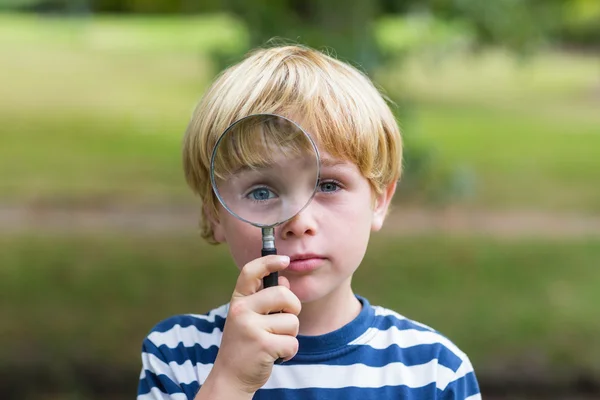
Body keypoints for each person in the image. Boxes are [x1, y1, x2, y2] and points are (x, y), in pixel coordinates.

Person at [136, 44, 481, 400]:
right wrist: (230, 382)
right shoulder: (177, 356)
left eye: (329, 185)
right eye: (260, 192)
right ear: (215, 212)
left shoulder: (434, 372)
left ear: (379, 201)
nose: (298, 223)